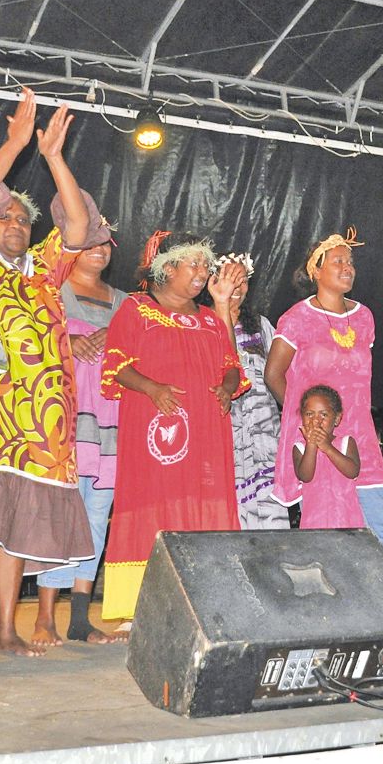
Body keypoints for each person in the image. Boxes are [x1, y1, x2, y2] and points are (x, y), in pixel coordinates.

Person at [0, 90, 100, 656]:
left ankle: (5, 629)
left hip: (43, 428)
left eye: (21, 219)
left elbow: (78, 227)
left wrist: (54, 157)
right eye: (3, 217)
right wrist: (15, 144)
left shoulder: (44, 269)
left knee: (11, 531)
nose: (13, 224)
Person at [99, 232, 245, 619]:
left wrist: (228, 389)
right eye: (193, 264)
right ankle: (144, 609)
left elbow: (232, 366)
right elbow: (116, 365)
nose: (202, 272)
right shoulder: (136, 309)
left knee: (204, 506)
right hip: (157, 429)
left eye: (204, 264)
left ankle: (207, 604)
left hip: (207, 432)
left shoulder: (212, 321)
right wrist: (152, 387)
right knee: (155, 507)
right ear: (166, 268)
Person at [265, 229, 383, 563]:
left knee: (380, 525)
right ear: (316, 271)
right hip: (320, 438)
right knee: (328, 528)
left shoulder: (364, 317)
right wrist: (308, 423)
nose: (347, 267)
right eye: (338, 260)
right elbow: (273, 374)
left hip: (360, 434)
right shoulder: (297, 319)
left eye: (350, 261)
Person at [49, 222, 128, 643]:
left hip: (113, 419)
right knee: (61, 511)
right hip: (66, 418)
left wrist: (115, 338)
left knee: (97, 515)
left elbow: (140, 351)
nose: (100, 251)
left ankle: (79, 617)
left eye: (106, 244)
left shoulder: (127, 303)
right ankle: (46, 613)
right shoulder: (50, 292)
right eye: (90, 243)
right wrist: (66, 344)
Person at [208, 252, 289, 530]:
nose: (236, 288)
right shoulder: (204, 323)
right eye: (229, 279)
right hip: (224, 432)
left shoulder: (262, 327)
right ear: (213, 282)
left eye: (242, 281)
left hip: (264, 437)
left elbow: (281, 375)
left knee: (271, 521)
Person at [292, 385, 363, 529]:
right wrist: (311, 445)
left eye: (323, 414)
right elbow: (305, 476)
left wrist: (328, 448)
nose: (316, 420)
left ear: (336, 419)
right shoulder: (299, 448)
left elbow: (353, 471)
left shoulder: (346, 442)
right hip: (314, 522)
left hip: (347, 521)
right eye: (309, 414)